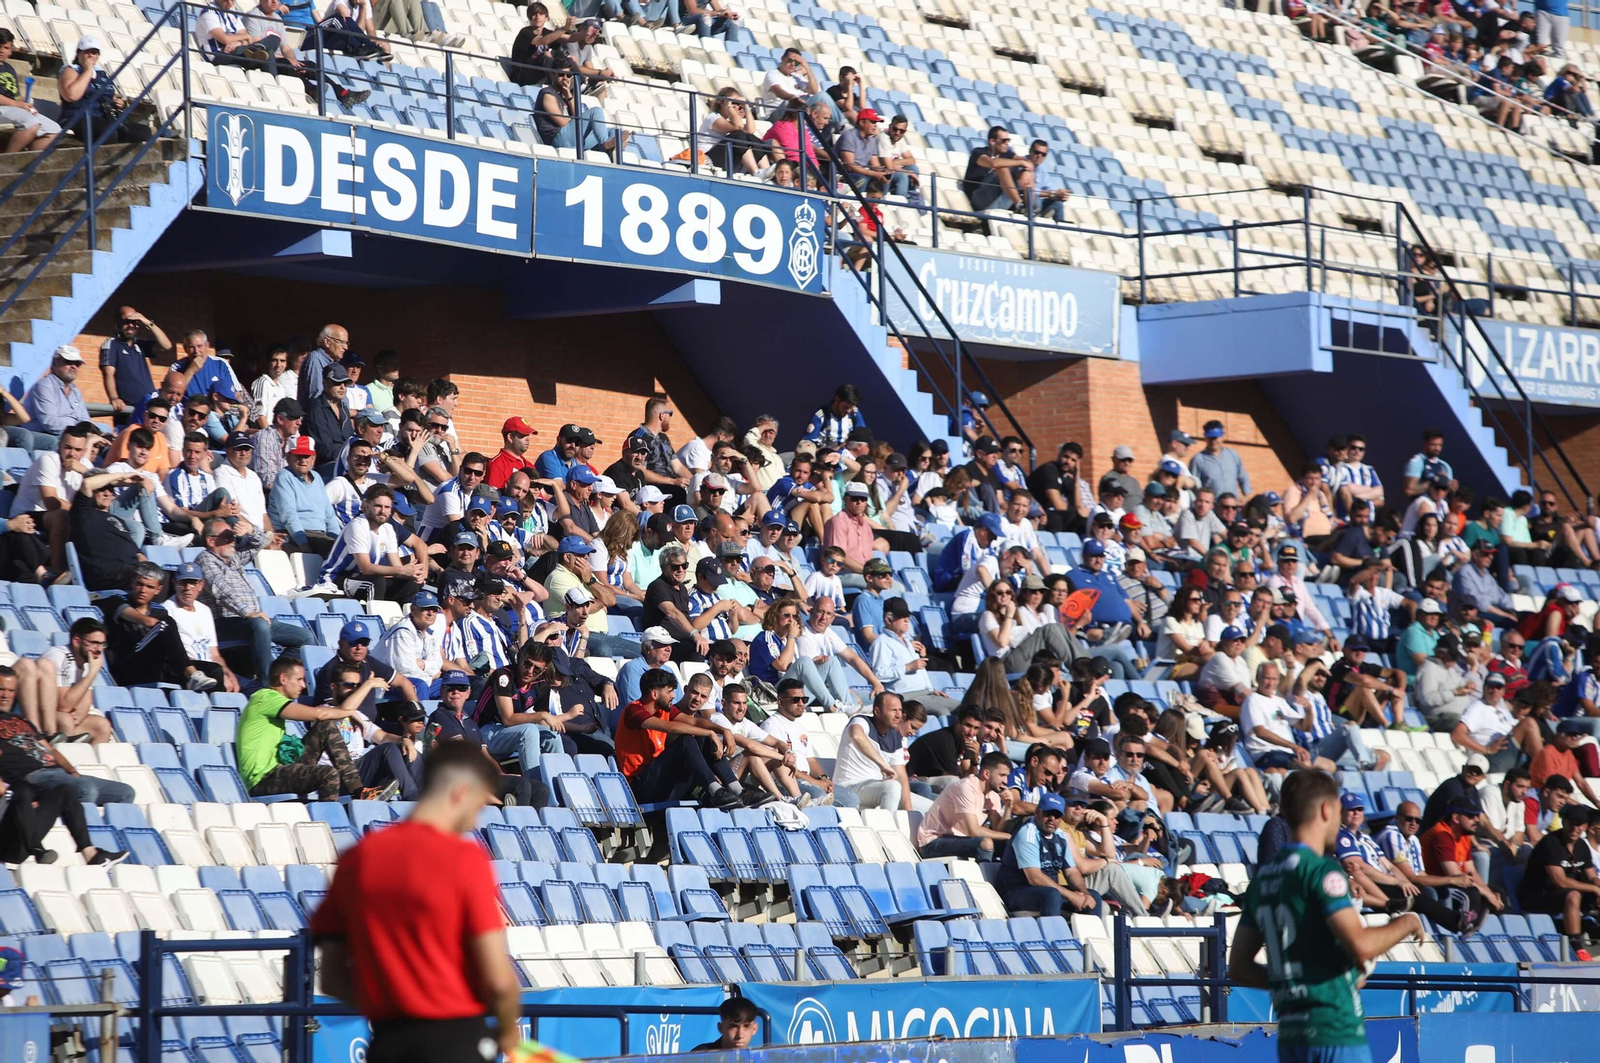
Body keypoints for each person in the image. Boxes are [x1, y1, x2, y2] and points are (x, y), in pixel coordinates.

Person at [312, 741, 525, 1063]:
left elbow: (331, 977)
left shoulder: (357, 859)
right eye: (478, 807)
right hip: (455, 1039)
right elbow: (497, 979)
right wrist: (508, 1029)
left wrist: (391, 1004)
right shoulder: (464, 859)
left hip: (387, 1042)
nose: (475, 821)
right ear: (461, 793)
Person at [1229, 770, 1424, 1061]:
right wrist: (1407, 922)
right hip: (1335, 1029)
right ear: (1326, 809)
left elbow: (1239, 968)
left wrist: (1299, 983)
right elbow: (1361, 945)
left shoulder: (1262, 881)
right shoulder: (1322, 871)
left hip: (1293, 1035)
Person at [237, 657, 364, 800]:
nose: (303, 685)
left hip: (279, 770)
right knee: (328, 773)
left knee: (325, 727)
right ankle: (327, 820)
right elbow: (319, 714)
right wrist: (350, 711)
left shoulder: (271, 700)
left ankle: (359, 790)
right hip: (262, 780)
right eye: (299, 679)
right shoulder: (265, 698)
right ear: (283, 679)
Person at [615, 667, 742, 808]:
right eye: (669, 691)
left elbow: (695, 721)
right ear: (654, 694)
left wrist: (724, 731)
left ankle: (737, 789)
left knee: (702, 739)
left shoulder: (664, 709)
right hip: (640, 786)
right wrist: (710, 733)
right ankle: (716, 791)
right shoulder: (633, 711)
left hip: (661, 779)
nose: (674, 696)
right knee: (686, 740)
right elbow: (670, 727)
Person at [1519, 804, 1599, 953]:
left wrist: (1598, 888)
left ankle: (1595, 933)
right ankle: (1577, 948)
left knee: (1588, 894)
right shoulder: (1551, 843)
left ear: (1586, 826)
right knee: (1573, 895)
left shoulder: (1581, 845)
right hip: (1536, 895)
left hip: (1560, 894)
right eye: (1572, 823)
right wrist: (1594, 889)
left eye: (1580, 824)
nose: (1575, 828)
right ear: (1564, 822)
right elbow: (1560, 881)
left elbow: (1592, 876)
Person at [914, 751, 1013, 860]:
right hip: (933, 842)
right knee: (986, 843)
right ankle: (984, 877)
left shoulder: (993, 794)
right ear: (986, 774)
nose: (1006, 781)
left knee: (1011, 845)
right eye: (1002, 775)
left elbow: (998, 830)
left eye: (1007, 776)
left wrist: (1008, 807)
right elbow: (974, 831)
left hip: (960, 839)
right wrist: (1008, 836)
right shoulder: (966, 788)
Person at [691, 998, 760, 1053]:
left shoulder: (761, 1057)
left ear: (754, 1029)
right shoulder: (701, 1056)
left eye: (746, 1026)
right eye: (733, 1026)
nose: (740, 1035)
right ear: (721, 1028)